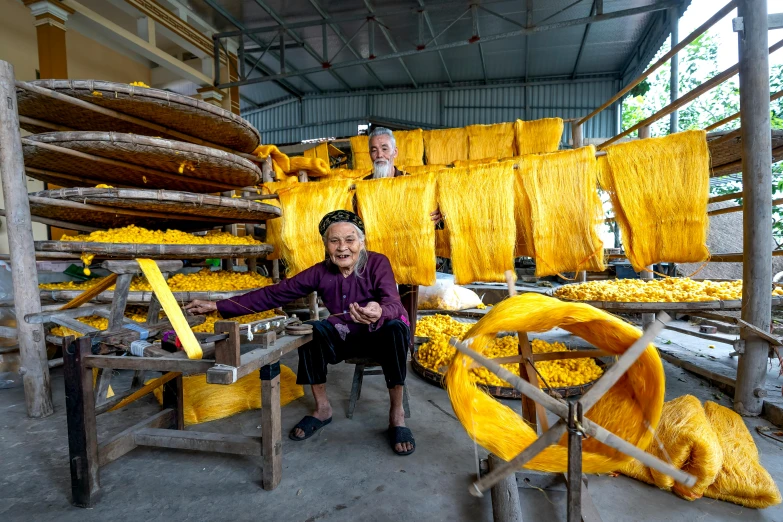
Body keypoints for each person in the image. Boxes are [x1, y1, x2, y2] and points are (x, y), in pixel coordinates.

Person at [184, 210, 416, 456]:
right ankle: (323, 408)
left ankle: (397, 415)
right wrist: (218, 306)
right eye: (334, 241)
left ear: (362, 243)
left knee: (396, 328)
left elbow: (392, 301)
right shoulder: (320, 271)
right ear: (326, 245)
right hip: (345, 336)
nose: (342, 247)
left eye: (349, 240)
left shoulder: (378, 262)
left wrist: (379, 310)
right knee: (311, 329)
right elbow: (274, 294)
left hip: (379, 336)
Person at [367, 127, 443, 224]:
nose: (379, 155)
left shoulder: (412, 183)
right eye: (374, 150)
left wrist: (438, 215)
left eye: (384, 149)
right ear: (369, 154)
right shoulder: (362, 186)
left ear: (395, 152)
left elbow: (429, 218)